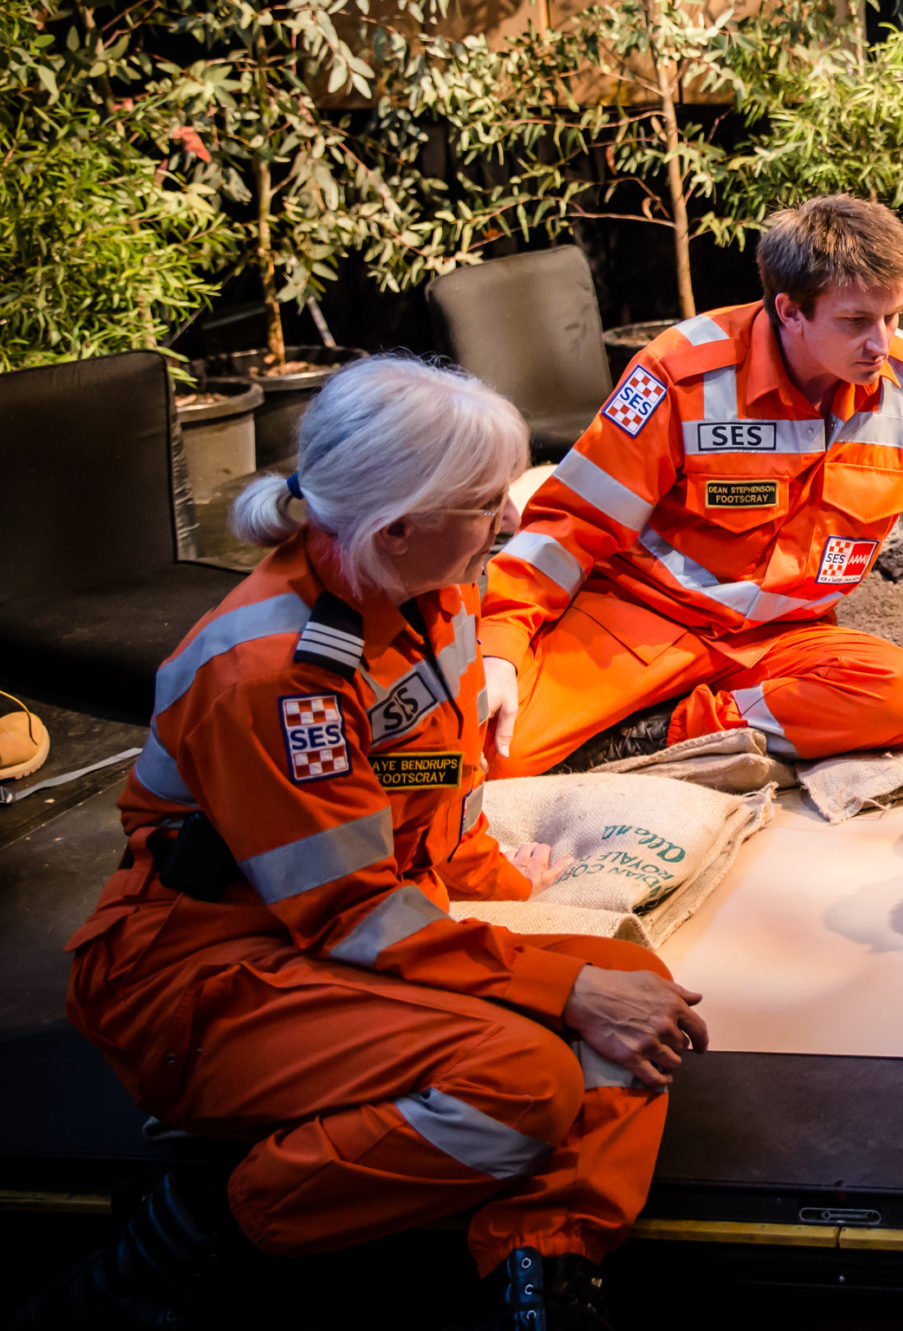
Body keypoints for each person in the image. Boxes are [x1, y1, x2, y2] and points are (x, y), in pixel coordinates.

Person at [31, 358, 701, 1331]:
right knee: (524, 1078)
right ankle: (211, 1224)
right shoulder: (271, 673)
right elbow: (350, 911)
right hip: (206, 976)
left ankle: (543, 1265)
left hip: (342, 935)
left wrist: (527, 915)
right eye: (484, 504)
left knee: (623, 975)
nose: (507, 523)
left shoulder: (439, 590)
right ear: (399, 526)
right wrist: (556, 986)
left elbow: (440, 794)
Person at [483, 196, 903, 779]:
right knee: (492, 758)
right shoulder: (680, 374)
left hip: (786, 640)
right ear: (789, 309)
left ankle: (660, 734)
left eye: (894, 316)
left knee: (901, 698)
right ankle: (653, 718)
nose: (883, 343)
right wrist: (504, 647)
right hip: (643, 621)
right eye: (856, 321)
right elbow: (567, 526)